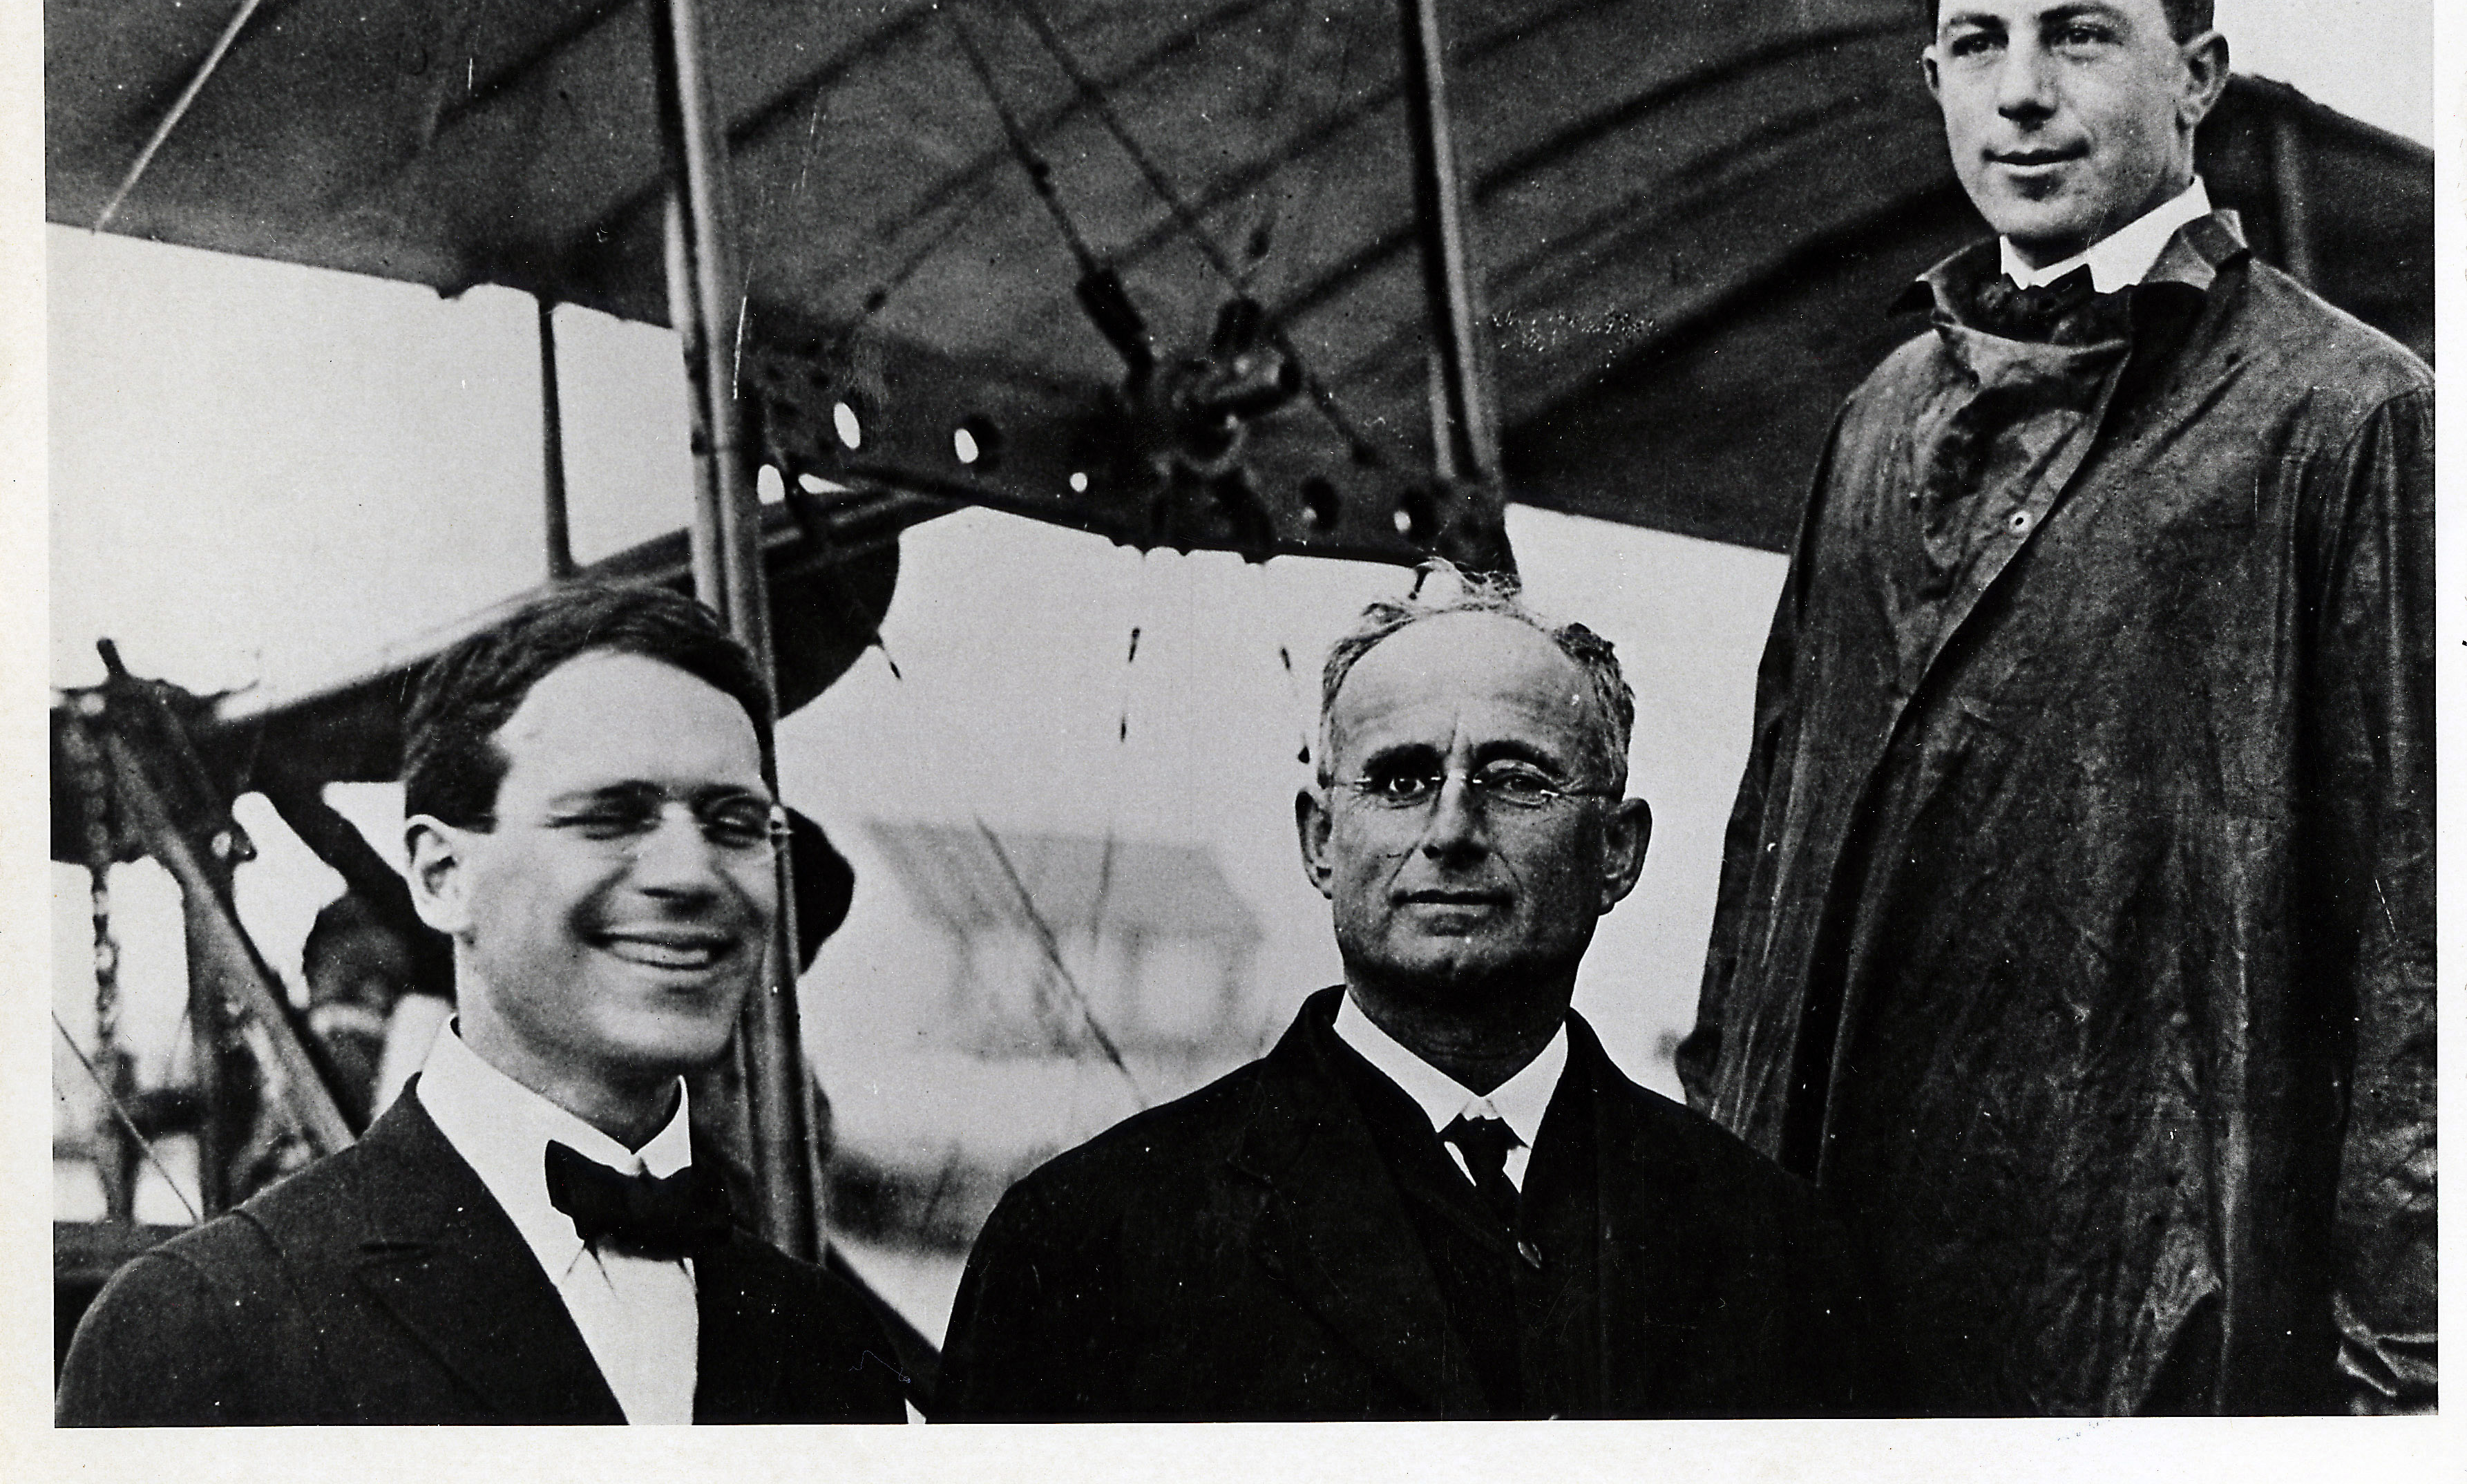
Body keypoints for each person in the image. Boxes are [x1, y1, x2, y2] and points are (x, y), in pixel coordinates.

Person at [1678, 0, 2433, 1415]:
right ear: (1934, 77)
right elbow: (1761, 883)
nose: (2019, 92)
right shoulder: (1880, 418)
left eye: (2077, 35)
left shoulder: (2345, 416)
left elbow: (2419, 955)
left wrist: (2400, 1393)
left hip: (2157, 1340)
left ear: (2200, 72)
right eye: (1976, 44)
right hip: (1832, 1313)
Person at [940, 567, 1875, 1420]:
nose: (1452, 829)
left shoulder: (1778, 1253)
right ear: (1319, 839)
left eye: (1516, 781)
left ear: (1618, 853)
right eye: (1399, 779)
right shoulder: (1082, 1244)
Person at [58, 584, 908, 1425]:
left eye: (733, 822)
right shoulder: (196, 1332)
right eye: (609, 816)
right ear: (441, 875)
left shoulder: (830, 1346)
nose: (690, 873)